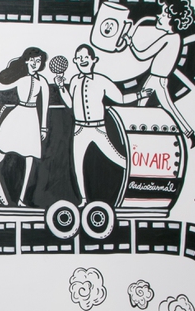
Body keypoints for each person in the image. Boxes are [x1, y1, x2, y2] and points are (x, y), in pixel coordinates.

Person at [56, 44, 152, 206]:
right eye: (79, 58)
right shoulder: (74, 80)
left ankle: (140, 180)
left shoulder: (101, 80)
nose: (82, 60)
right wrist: (60, 87)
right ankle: (84, 200)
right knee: (78, 164)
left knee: (118, 158)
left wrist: (140, 94)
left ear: (94, 60)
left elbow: (121, 99)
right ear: (75, 61)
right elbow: (71, 104)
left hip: (98, 128)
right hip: (79, 130)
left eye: (86, 57)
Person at [0, 41, 50, 206]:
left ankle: (22, 199)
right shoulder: (20, 79)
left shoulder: (43, 82)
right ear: (26, 61)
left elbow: (44, 106)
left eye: (38, 61)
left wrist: (43, 127)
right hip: (17, 117)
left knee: (30, 158)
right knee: (1, 151)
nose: (35, 63)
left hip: (32, 120)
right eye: (32, 60)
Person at [125, 0, 195, 147]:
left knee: (150, 108)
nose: (159, 16)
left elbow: (142, 55)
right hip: (156, 79)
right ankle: (188, 134)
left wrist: (130, 43)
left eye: (164, 14)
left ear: (172, 19)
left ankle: (139, 138)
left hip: (157, 79)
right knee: (151, 107)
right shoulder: (175, 38)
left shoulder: (169, 38)